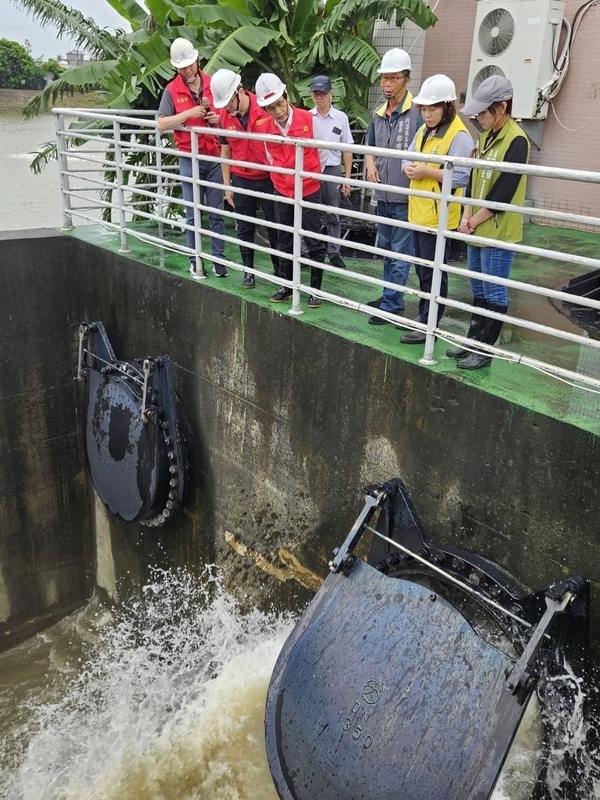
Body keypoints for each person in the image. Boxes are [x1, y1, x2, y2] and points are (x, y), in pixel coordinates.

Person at [451, 75, 530, 369]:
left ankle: (485, 351)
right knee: (478, 289)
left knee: (494, 290)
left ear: (502, 107)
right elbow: (473, 178)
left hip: (498, 231)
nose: (479, 117)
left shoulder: (517, 140)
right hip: (476, 225)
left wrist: (473, 221)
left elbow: (504, 191)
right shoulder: (484, 136)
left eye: (484, 112)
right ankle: (472, 341)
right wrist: (466, 214)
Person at [400, 75, 474, 344]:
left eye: (433, 109)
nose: (427, 114)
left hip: (440, 217)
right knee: (422, 268)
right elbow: (407, 158)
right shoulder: (424, 131)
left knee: (434, 272)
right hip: (419, 213)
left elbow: (464, 176)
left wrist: (428, 171)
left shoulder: (459, 135)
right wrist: (407, 168)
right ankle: (423, 316)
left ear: (447, 107)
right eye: (424, 109)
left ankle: (431, 322)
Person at [255, 72, 327, 308]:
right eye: (271, 108)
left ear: (286, 97)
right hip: (282, 191)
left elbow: (323, 152)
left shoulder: (308, 118)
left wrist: (310, 176)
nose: (278, 111)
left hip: (308, 189)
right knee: (284, 240)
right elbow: (268, 157)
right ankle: (286, 285)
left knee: (314, 240)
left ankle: (315, 290)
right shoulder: (265, 128)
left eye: (279, 104)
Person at [156, 38, 227, 278]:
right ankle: (194, 259)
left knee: (216, 212)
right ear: (176, 67)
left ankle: (219, 260)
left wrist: (217, 119)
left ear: (197, 61)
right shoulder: (171, 90)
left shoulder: (212, 83)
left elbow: (226, 112)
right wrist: (187, 114)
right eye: (182, 67)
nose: (187, 70)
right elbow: (162, 123)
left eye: (190, 65)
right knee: (192, 212)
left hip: (214, 155)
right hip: (189, 157)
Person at [211, 68, 281, 288]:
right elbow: (225, 152)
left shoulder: (263, 107)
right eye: (224, 106)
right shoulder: (224, 116)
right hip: (242, 177)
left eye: (230, 103)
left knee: (275, 226)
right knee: (244, 227)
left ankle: (280, 274)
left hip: (268, 177)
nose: (228, 109)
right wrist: (227, 186)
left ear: (239, 91)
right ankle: (248, 272)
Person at [364, 48, 420, 325]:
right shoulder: (378, 112)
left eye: (393, 78)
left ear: (406, 80)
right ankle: (389, 295)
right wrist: (370, 163)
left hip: (406, 196)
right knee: (386, 249)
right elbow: (370, 144)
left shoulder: (419, 112)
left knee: (400, 252)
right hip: (382, 194)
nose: (387, 84)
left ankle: (393, 303)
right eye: (384, 79)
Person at [309, 75, 354, 270]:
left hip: (333, 169)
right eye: (316, 94)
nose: (320, 98)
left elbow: (347, 149)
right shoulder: (307, 117)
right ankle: (308, 250)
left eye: (323, 94)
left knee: (333, 212)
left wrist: (347, 178)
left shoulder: (341, 118)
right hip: (312, 169)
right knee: (310, 211)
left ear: (330, 95)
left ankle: (334, 252)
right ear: (312, 95)